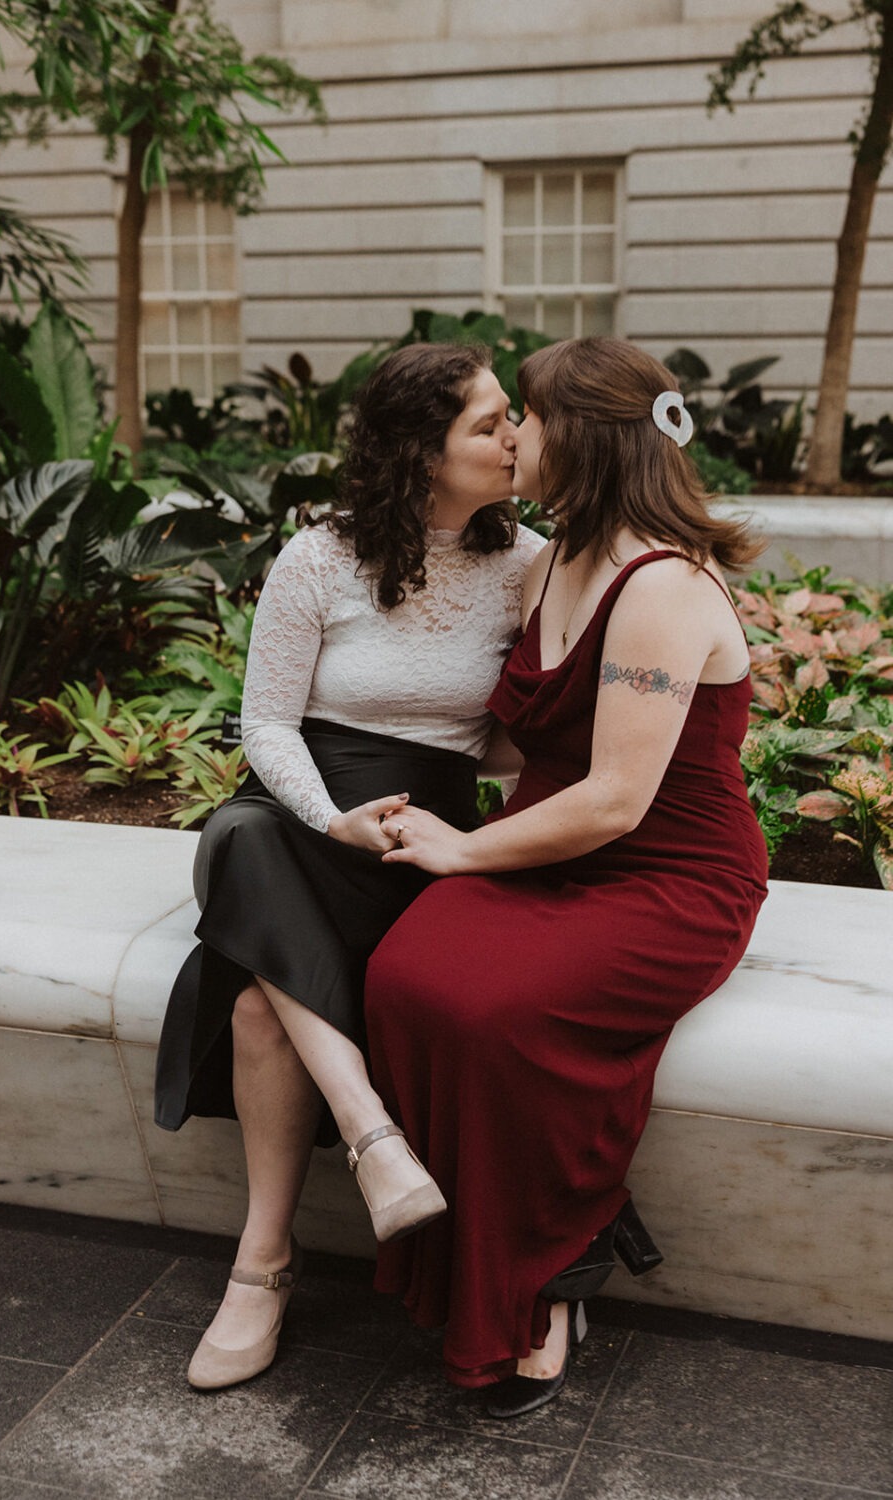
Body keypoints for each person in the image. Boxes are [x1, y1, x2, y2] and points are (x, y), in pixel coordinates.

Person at [364, 335, 769, 1418]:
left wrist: (457, 848)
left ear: (576, 435)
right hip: (547, 845)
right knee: (405, 978)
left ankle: (554, 1263)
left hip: (668, 876)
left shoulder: (663, 588)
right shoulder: (546, 561)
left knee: (494, 1011)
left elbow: (613, 800)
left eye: (522, 419)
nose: (509, 436)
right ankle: (485, 1254)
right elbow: (516, 743)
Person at [154, 342, 545, 1390]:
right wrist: (332, 820)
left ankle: (267, 1258)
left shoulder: (528, 563)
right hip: (304, 817)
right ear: (421, 451)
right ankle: (362, 1145)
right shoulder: (317, 556)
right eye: (488, 423)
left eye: (511, 418)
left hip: (428, 832)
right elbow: (267, 726)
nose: (514, 437)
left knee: (254, 1012)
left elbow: (512, 740)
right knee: (237, 834)